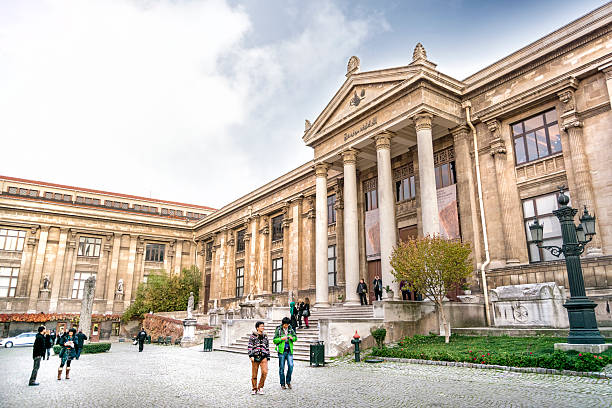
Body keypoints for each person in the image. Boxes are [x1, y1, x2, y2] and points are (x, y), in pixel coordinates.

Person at [273, 317, 297, 390]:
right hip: (281, 351)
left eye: (287, 325)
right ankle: (282, 384)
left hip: (289, 351)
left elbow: (295, 338)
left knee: (291, 366)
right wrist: (281, 339)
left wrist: (292, 338)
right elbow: (274, 340)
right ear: (283, 324)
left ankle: (288, 381)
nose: (286, 326)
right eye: (285, 325)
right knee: (281, 368)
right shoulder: (279, 330)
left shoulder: (291, 329)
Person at [248, 321, 270, 395]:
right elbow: (250, 346)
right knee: (254, 374)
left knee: (265, 372)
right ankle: (254, 388)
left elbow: (267, 347)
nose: (263, 327)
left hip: (263, 357)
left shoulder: (265, 336)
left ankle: (260, 387)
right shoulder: (252, 336)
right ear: (257, 327)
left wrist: (268, 356)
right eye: (261, 326)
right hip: (255, 356)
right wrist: (251, 355)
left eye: (263, 326)